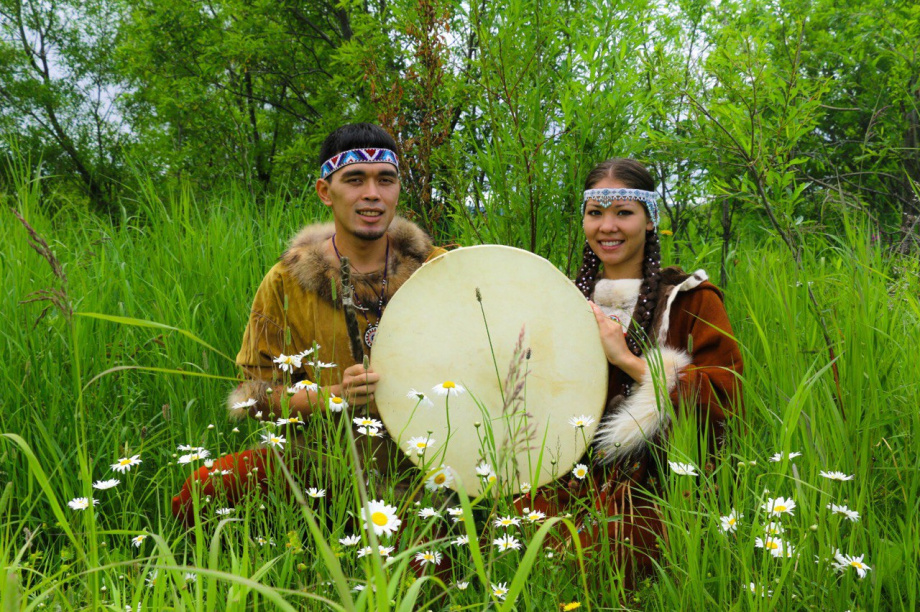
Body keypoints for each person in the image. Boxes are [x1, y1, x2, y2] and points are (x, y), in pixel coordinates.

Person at [172, 123, 446, 524]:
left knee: (425, 572)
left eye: (385, 180)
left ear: (397, 190)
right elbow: (256, 397)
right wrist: (335, 395)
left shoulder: (440, 270)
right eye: (355, 179)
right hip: (320, 464)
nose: (372, 193)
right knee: (207, 489)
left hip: (425, 468)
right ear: (325, 192)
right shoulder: (286, 282)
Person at [517, 158, 743, 581]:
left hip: (659, 484)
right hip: (565, 476)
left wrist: (627, 361)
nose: (608, 227)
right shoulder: (560, 300)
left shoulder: (692, 300)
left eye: (624, 212)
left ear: (651, 219)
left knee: (615, 550)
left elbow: (726, 394)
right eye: (595, 213)